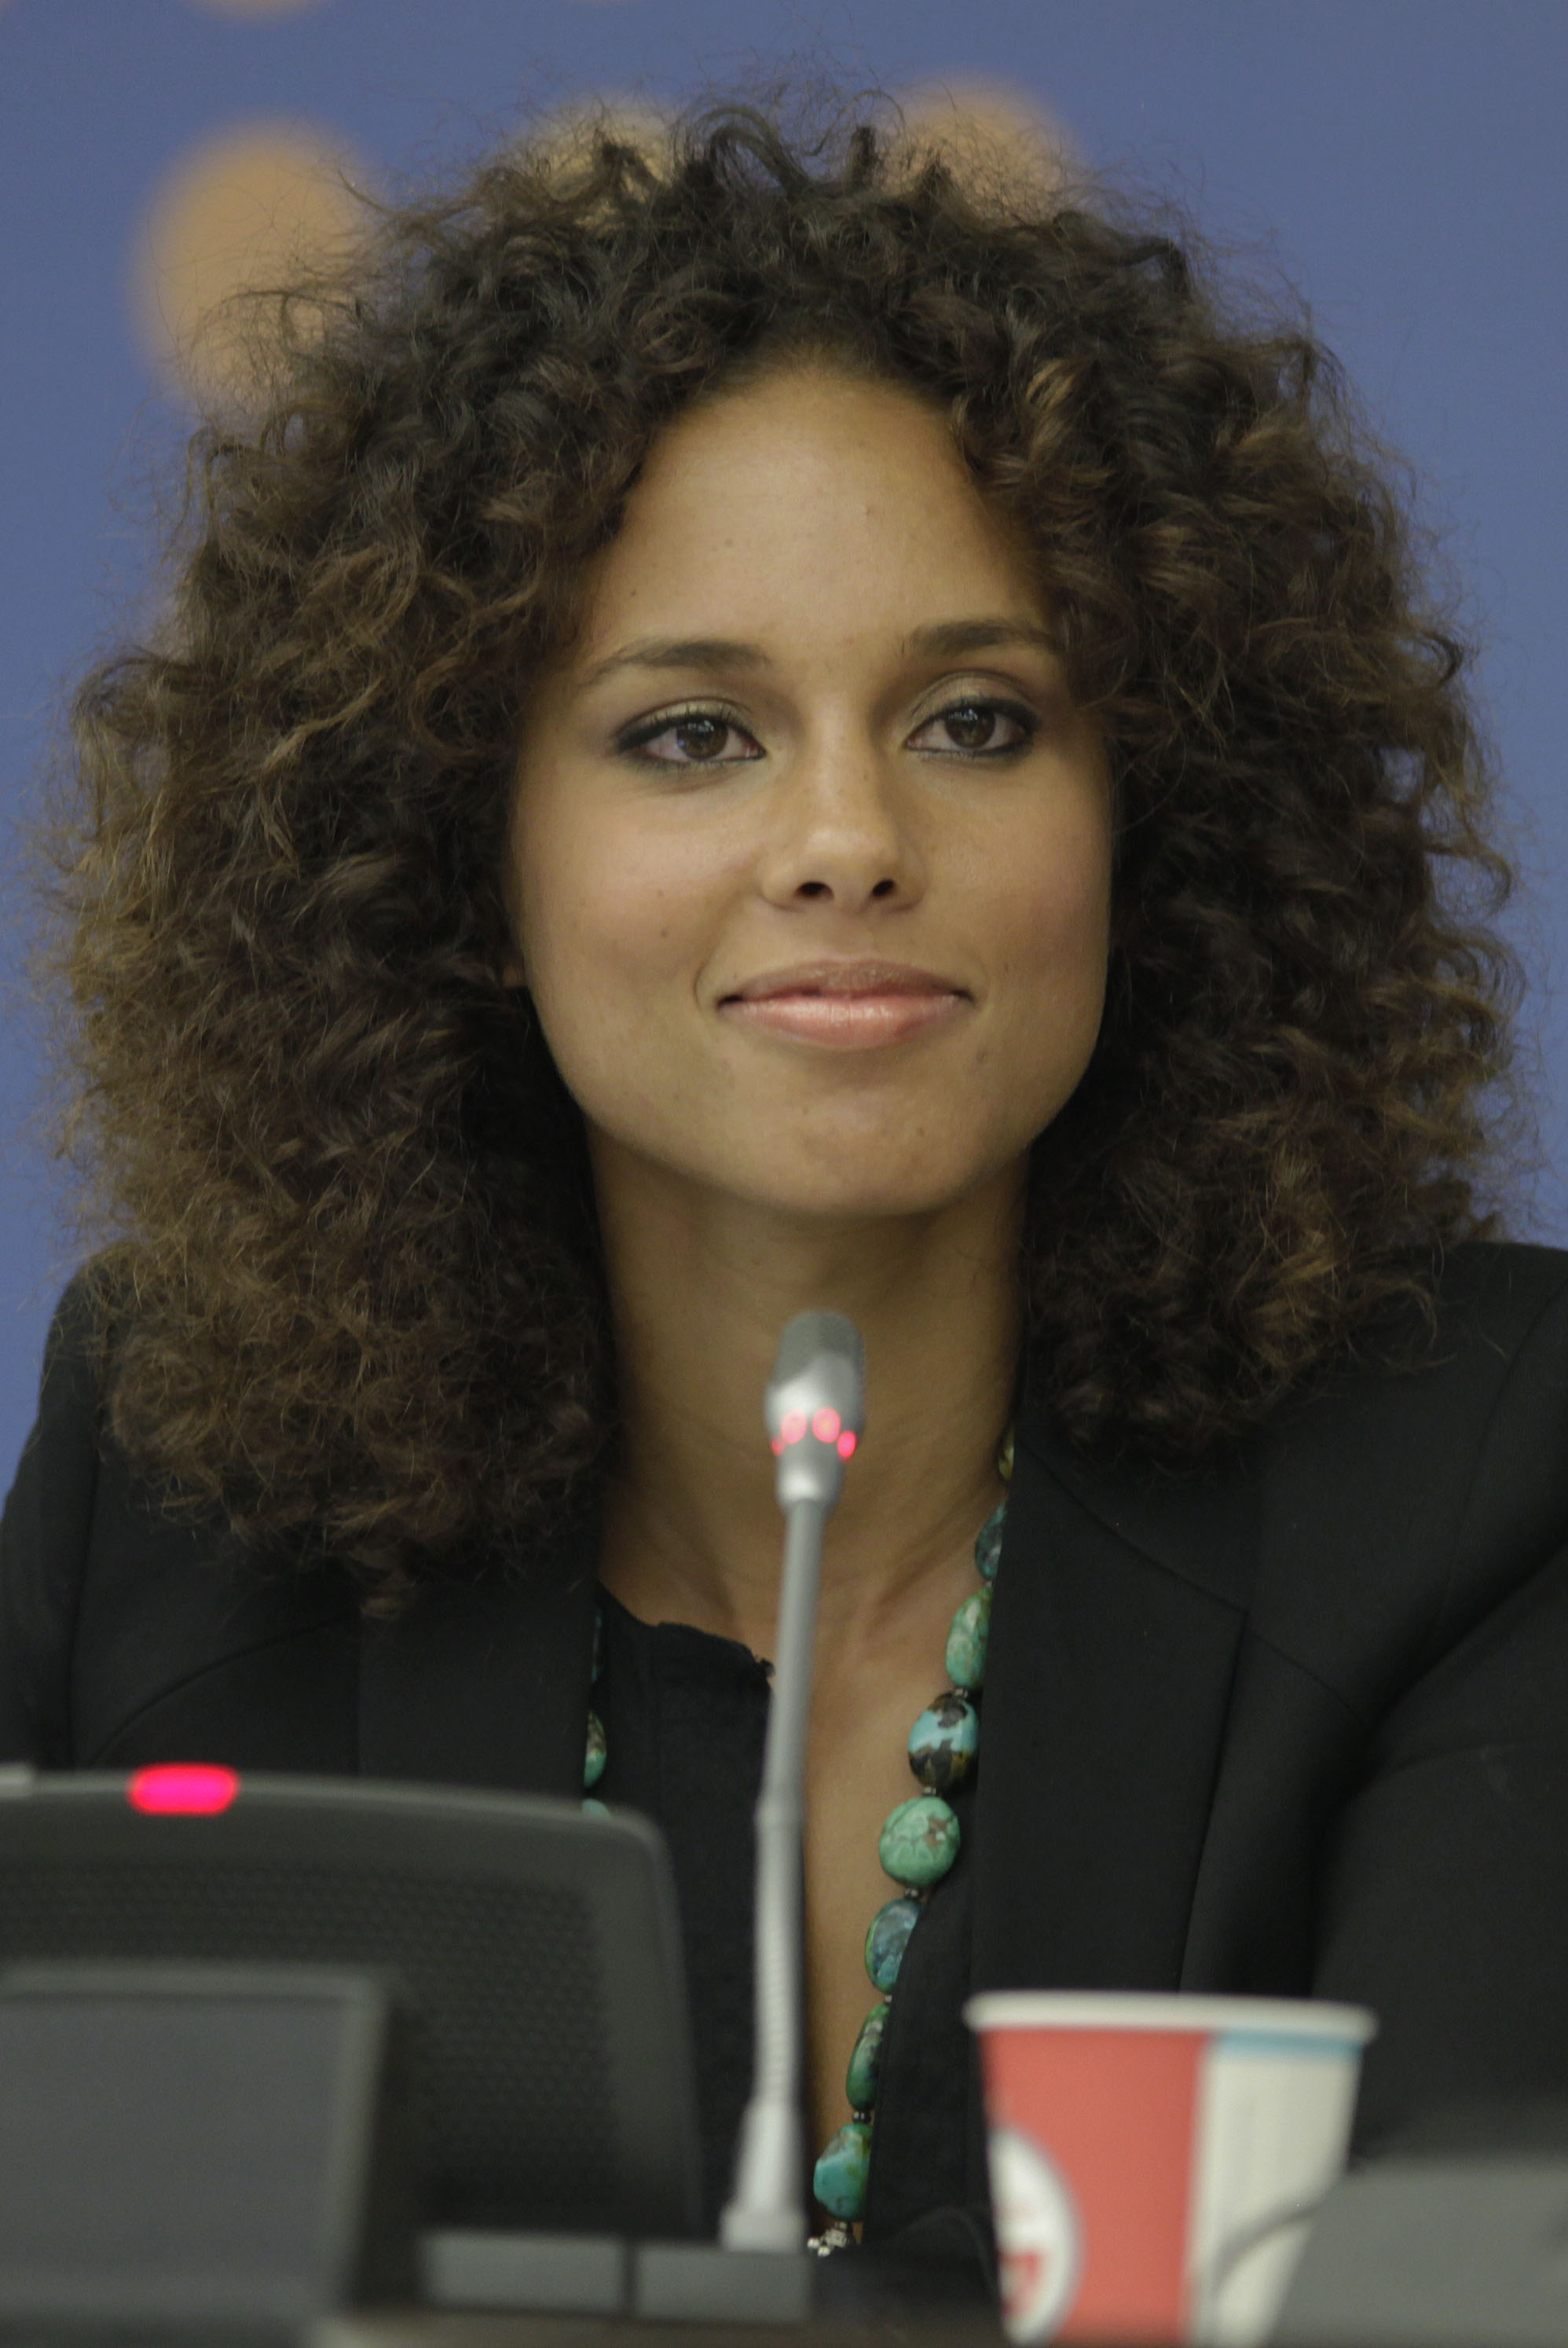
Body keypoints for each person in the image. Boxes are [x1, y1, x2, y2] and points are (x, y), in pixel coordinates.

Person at [5, 95, 1568, 2282]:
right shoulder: (181, 1478)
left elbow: (1454, 2288)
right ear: (463, 854)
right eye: (690, 734)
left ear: (1156, 819)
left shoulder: (1479, 1465)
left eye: (976, 720)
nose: (846, 840)